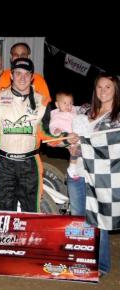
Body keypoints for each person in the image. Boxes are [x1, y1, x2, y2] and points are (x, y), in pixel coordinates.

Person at [0, 58, 72, 212]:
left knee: (31, 209)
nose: (22, 78)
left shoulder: (42, 102)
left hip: (29, 164)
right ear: (11, 75)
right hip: (4, 163)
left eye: (27, 74)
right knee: (4, 208)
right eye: (18, 73)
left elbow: (46, 135)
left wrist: (67, 138)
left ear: (32, 77)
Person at [66, 72, 119, 276]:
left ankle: (102, 265)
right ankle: (83, 263)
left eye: (108, 87)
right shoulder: (85, 113)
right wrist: (73, 148)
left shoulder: (117, 118)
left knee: (100, 220)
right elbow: (79, 148)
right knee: (80, 219)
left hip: (103, 177)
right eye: (99, 87)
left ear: (116, 91)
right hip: (77, 170)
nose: (103, 91)